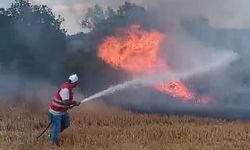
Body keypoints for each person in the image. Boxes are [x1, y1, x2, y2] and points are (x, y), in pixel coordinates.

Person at [48, 74, 81, 145]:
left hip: (62, 111)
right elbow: (65, 102)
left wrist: (73, 104)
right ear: (74, 83)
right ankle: (52, 143)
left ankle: (52, 133)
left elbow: (67, 102)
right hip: (55, 112)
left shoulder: (68, 86)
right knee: (57, 127)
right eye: (77, 82)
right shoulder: (66, 90)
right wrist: (74, 102)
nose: (77, 83)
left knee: (66, 123)